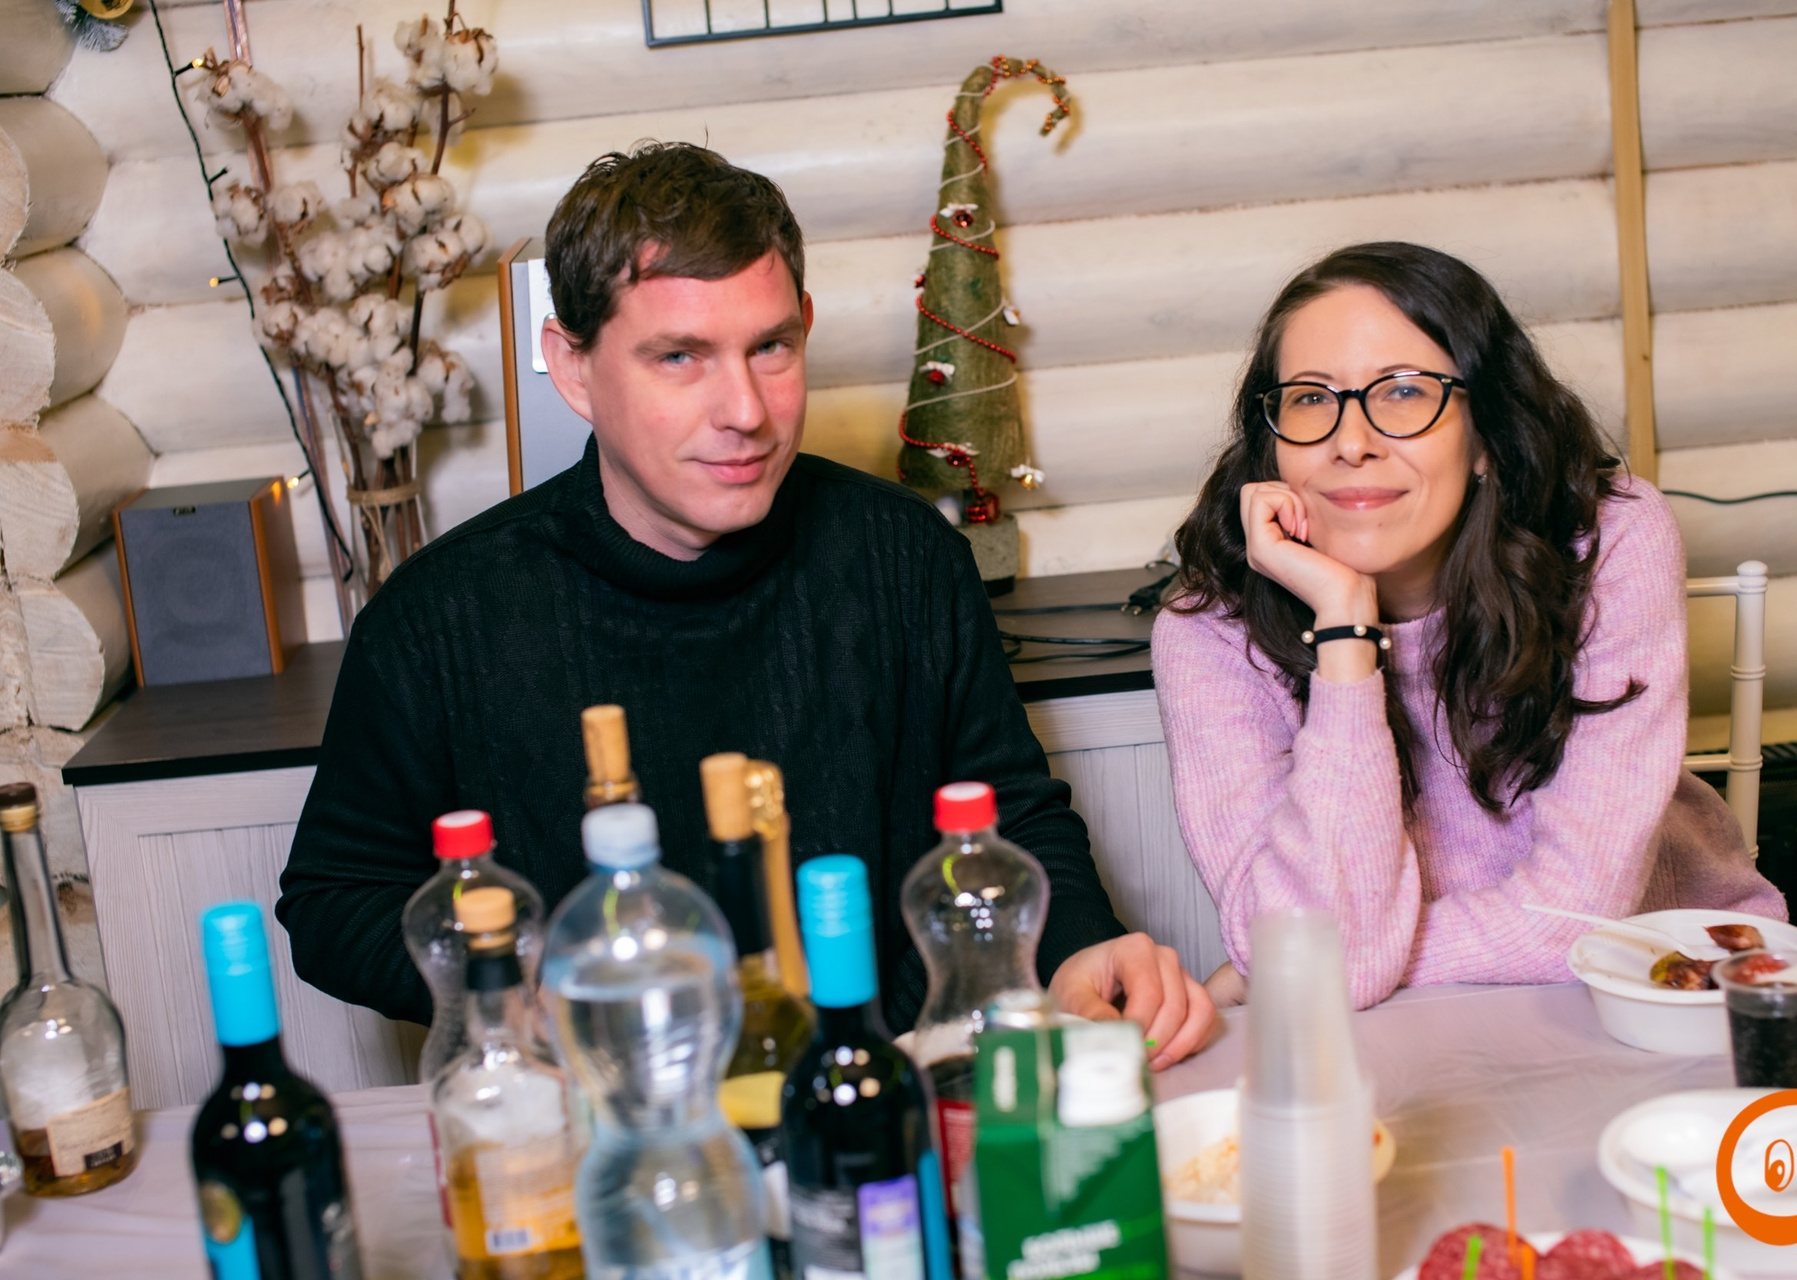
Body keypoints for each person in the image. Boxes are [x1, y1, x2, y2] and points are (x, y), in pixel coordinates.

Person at [279, 142, 1215, 1068]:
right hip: (606, 1110)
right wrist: (526, 993)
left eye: (770, 348)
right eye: (679, 357)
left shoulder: (907, 558)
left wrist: (1079, 946)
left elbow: (1006, 813)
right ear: (572, 368)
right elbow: (336, 899)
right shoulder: (439, 618)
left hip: (881, 1086)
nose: (745, 411)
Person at [1154, 242, 1785, 1011]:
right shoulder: (1209, 634)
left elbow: (1579, 913)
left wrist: (1328, 961)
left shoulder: (1611, 544)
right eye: (1311, 398)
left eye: (1404, 391)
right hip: (1393, 1024)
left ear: (1485, 434)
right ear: (1272, 441)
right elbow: (1320, 962)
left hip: (1667, 986)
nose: (1351, 443)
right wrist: (1345, 631)